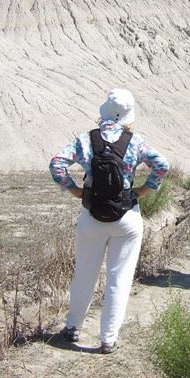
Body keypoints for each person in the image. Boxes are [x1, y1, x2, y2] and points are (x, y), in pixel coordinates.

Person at [49, 89, 169, 353]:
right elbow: (162, 165)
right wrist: (145, 190)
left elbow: (57, 164)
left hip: (92, 215)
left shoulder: (85, 139)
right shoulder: (136, 142)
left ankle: (72, 327)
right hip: (126, 216)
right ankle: (108, 339)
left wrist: (74, 190)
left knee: (84, 273)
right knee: (119, 278)